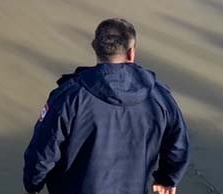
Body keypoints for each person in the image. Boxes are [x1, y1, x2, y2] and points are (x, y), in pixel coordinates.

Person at [23, 18, 190, 194]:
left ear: (94, 45)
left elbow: (43, 151)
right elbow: (178, 145)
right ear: (131, 53)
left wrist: (33, 185)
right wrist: (167, 179)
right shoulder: (160, 97)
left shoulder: (69, 96)